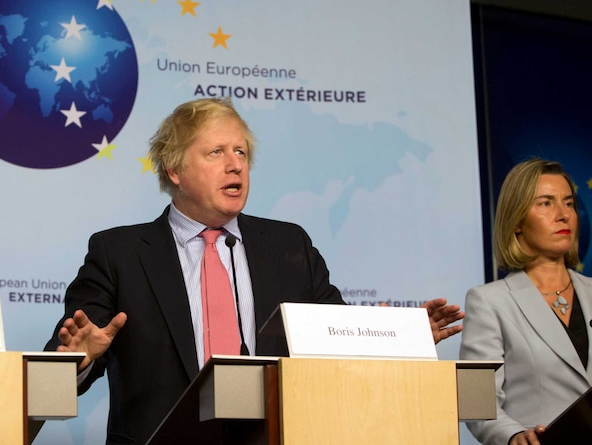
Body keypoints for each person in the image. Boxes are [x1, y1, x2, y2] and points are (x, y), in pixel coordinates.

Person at [45, 97, 464, 444]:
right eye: (216, 153)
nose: (236, 165)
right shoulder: (119, 252)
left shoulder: (287, 245)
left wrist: (399, 340)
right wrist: (77, 359)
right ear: (175, 170)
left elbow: (334, 338)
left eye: (241, 152)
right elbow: (55, 376)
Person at [460, 158, 592, 445]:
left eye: (568, 203)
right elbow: (473, 403)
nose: (563, 215)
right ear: (517, 221)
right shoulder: (487, 301)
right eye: (546, 203)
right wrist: (514, 436)